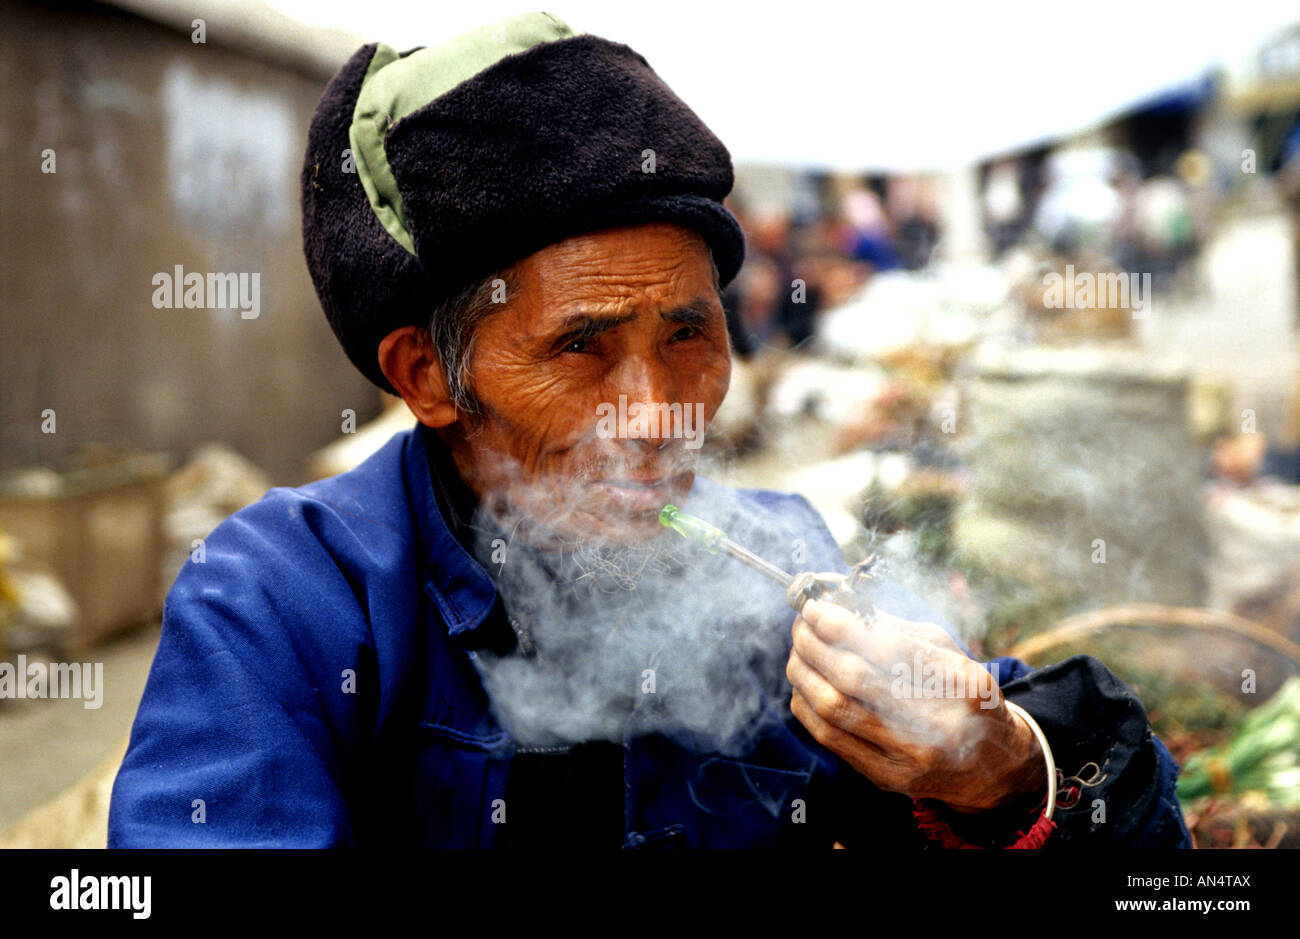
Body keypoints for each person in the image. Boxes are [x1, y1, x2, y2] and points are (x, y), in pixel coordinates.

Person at [108, 13, 1190, 849]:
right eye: (581, 346)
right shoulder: (285, 604)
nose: (657, 412)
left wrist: (1001, 771)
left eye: (688, 333)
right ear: (426, 376)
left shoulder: (784, 569)